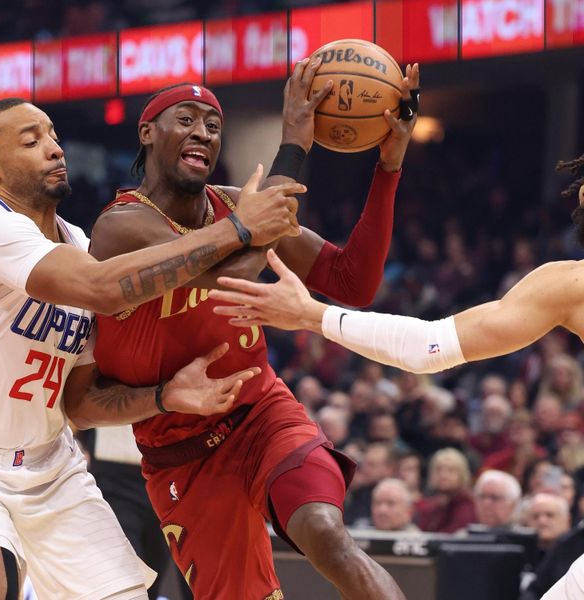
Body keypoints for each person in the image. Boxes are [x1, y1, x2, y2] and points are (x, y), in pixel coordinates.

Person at [0, 97, 304, 600]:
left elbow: (80, 404)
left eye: (53, 135)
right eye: (32, 140)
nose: (54, 149)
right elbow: (106, 288)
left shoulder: (81, 246)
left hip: (51, 468)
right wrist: (237, 227)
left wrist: (167, 395)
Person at [82, 53, 420, 599]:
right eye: (186, 119)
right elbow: (229, 272)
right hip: (183, 454)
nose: (203, 133)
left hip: (262, 412)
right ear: (147, 132)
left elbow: (352, 280)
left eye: (214, 125)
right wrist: (294, 144)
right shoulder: (122, 226)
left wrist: (388, 168)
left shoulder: (238, 205)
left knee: (327, 534)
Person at [209, 152, 584, 598]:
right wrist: (314, 315)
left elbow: (428, 349)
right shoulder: (569, 285)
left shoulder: (570, 285)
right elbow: (432, 346)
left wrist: (314, 315)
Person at [414, 447, 476, 533]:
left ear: (462, 475)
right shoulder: (428, 507)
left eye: (451, 470)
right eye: (438, 470)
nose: (443, 476)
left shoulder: (468, 506)